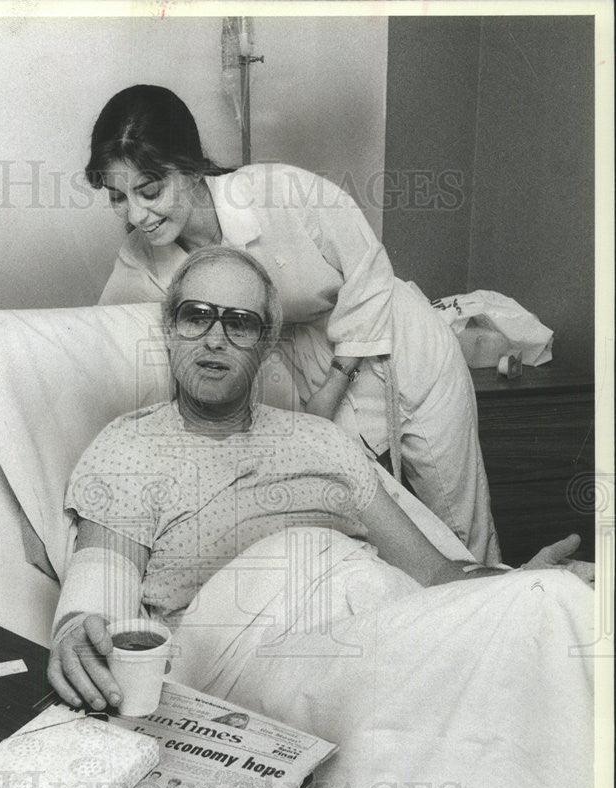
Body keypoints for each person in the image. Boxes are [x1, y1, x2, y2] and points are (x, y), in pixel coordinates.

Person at [47, 246, 593, 712]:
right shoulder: (131, 448)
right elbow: (99, 603)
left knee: (555, 607)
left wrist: (517, 582)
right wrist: (76, 634)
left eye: (239, 323)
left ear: (265, 346)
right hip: (249, 667)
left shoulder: (322, 441)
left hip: (380, 633)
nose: (215, 338)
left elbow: (434, 575)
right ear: (170, 330)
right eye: (197, 316)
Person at [85, 84, 501, 564]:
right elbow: (96, 339)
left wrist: (332, 388)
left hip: (398, 345)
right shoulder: (142, 256)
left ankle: (500, 599)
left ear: (192, 166)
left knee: (457, 523)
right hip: (313, 371)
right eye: (118, 197)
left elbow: (368, 270)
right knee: (377, 526)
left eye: (149, 191)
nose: (136, 215)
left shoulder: (279, 191)